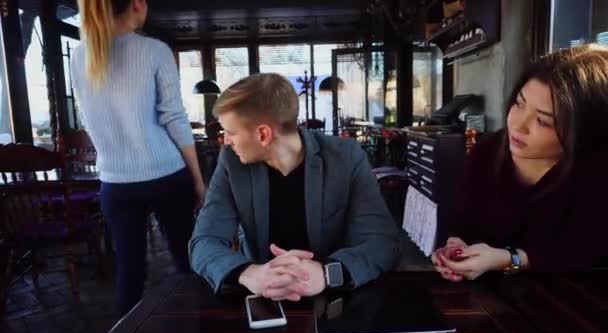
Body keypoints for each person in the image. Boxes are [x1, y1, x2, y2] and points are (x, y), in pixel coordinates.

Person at [189, 73, 400, 301]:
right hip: (262, 298)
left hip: (335, 298)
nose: (226, 141)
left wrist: (326, 273)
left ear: (263, 134)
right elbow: (204, 242)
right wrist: (250, 274)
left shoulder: (345, 157)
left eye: (230, 133)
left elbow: (382, 242)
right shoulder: (232, 162)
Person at [72, 0, 206, 315]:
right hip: (166, 174)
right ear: (138, 5)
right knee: (187, 262)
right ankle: (197, 328)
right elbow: (174, 117)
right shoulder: (155, 50)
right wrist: (198, 180)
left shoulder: (79, 56)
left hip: (114, 183)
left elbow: (90, 117)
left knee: (129, 273)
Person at [432, 44, 608, 281]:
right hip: (495, 299)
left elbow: (587, 253)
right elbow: (464, 224)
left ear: (583, 130)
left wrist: (510, 258)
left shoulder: (596, 171)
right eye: (519, 103)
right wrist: (456, 249)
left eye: (543, 121)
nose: (517, 124)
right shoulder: (488, 151)